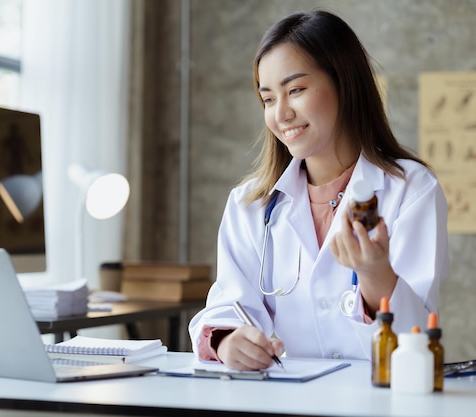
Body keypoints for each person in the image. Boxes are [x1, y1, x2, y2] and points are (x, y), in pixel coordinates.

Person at [188, 10, 449, 371]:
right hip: (284, 402)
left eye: (295, 90)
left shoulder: (411, 190)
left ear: (346, 84)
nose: (281, 114)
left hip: (380, 401)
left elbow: (416, 340)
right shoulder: (251, 205)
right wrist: (228, 341)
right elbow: (226, 306)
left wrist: (375, 274)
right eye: (267, 99)